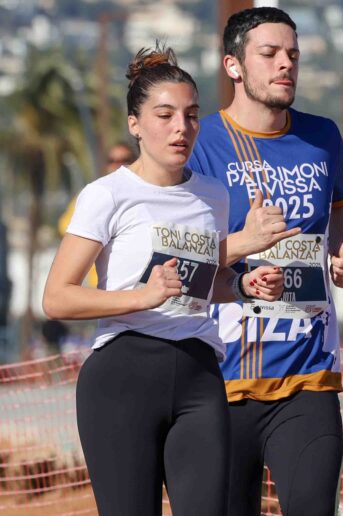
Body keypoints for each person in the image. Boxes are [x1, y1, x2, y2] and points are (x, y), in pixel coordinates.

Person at [42, 45, 285, 516]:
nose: (181, 128)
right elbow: (57, 298)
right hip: (122, 377)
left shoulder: (212, 195)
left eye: (191, 116)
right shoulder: (107, 194)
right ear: (135, 124)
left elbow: (200, 284)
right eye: (165, 115)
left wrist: (241, 287)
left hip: (200, 375)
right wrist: (142, 297)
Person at [188, 7, 343, 516]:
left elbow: (341, 206)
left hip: (309, 375)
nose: (285, 64)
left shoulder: (322, 137)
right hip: (219, 381)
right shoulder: (200, 144)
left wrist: (342, 255)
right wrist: (243, 242)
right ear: (233, 65)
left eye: (293, 54)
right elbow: (177, 267)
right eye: (269, 54)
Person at [58, 142, 137, 287]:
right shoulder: (95, 194)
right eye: (112, 160)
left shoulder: (142, 197)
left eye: (125, 160)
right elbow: (65, 227)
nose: (118, 165)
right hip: (99, 288)